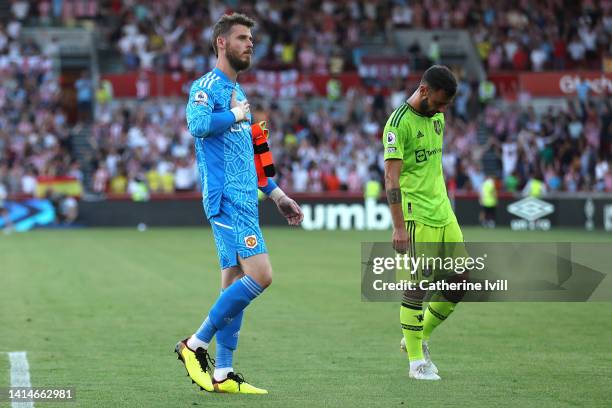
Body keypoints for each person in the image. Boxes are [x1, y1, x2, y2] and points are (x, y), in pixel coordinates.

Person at [175, 13, 304, 395]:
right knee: (261, 275)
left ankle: (224, 372)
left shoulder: (240, 94)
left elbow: (250, 158)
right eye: (243, 38)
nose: (250, 44)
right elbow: (197, 125)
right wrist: (235, 114)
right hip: (227, 200)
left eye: (251, 38)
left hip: (247, 198)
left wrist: (278, 195)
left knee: (232, 284)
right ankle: (194, 345)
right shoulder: (207, 86)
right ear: (221, 43)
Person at [383, 65, 467, 381]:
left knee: (460, 280)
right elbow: (391, 178)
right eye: (440, 102)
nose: (443, 110)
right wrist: (399, 226)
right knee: (417, 286)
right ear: (424, 90)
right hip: (416, 215)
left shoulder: (437, 118)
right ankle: (416, 363)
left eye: (447, 105)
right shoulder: (397, 124)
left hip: (444, 212)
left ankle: (418, 337)